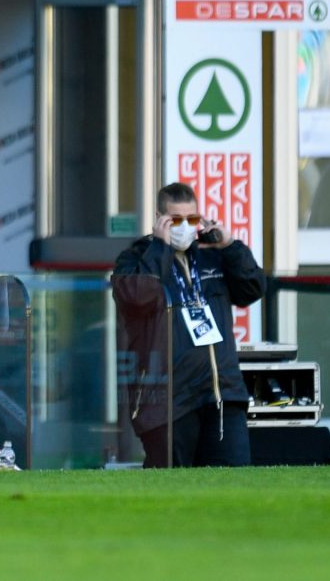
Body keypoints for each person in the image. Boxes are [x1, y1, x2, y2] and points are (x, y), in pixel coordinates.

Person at [113, 182, 265, 467]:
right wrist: (160, 247)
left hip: (222, 394)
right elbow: (136, 299)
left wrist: (231, 246)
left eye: (191, 219)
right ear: (159, 218)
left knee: (233, 484)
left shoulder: (212, 254)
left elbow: (252, 289)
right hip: (169, 400)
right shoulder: (136, 258)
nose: (184, 227)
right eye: (175, 220)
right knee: (172, 486)